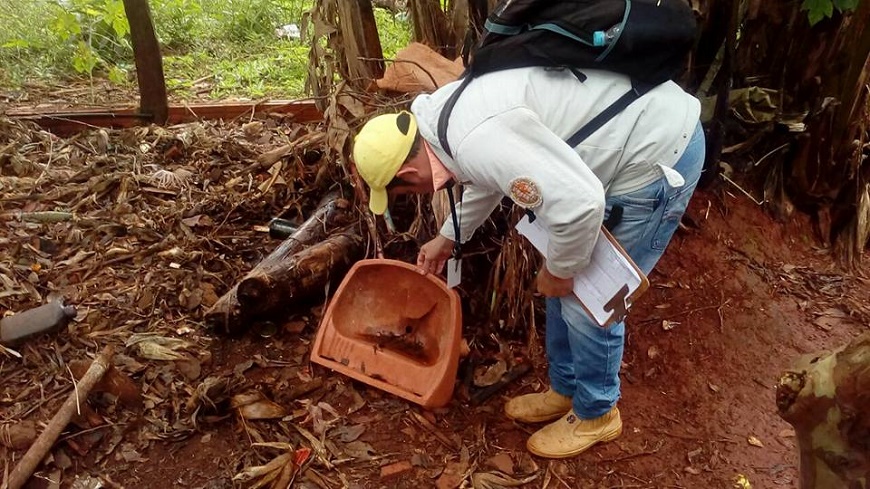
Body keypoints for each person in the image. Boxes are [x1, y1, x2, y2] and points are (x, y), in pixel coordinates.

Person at [351, 66, 704, 459]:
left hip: (655, 153)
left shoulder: (475, 138)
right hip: (620, 148)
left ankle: (597, 412)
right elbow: (491, 177)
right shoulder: (442, 122)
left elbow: (581, 206)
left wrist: (559, 271)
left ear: (407, 172)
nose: (414, 196)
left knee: (589, 298)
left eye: (406, 191)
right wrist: (447, 237)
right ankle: (566, 389)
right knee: (567, 279)